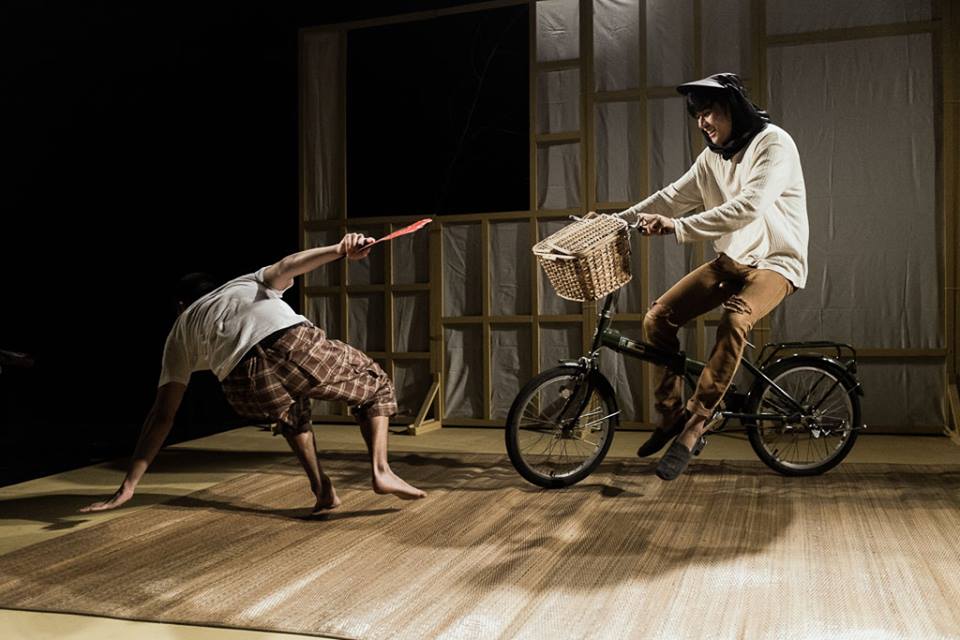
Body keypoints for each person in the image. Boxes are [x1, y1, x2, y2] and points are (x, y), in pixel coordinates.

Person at [81, 233, 426, 514]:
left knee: (290, 413)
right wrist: (339, 249)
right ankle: (381, 470)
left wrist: (128, 486)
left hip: (242, 383)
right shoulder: (243, 283)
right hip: (289, 344)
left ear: (181, 306)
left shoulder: (179, 332)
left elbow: (162, 415)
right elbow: (289, 265)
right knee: (376, 384)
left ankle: (322, 490)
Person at [622, 72, 808, 481]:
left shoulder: (773, 144)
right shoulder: (712, 158)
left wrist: (678, 227)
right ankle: (670, 414)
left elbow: (749, 206)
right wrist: (615, 222)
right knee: (658, 318)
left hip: (776, 262)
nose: (702, 122)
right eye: (697, 115)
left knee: (735, 318)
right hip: (731, 260)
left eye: (710, 112)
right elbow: (672, 197)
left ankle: (697, 422)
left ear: (734, 110)